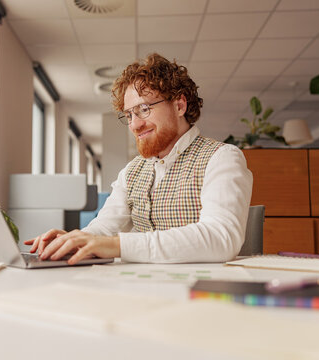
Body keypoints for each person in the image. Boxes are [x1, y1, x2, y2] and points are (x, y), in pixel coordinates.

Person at [24, 53, 253, 265]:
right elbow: (105, 227)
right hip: (142, 288)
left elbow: (221, 237)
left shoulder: (221, 158)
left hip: (198, 295)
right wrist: (77, 240)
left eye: (144, 109)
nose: (134, 125)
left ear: (179, 105)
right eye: (129, 114)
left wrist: (118, 245)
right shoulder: (132, 171)